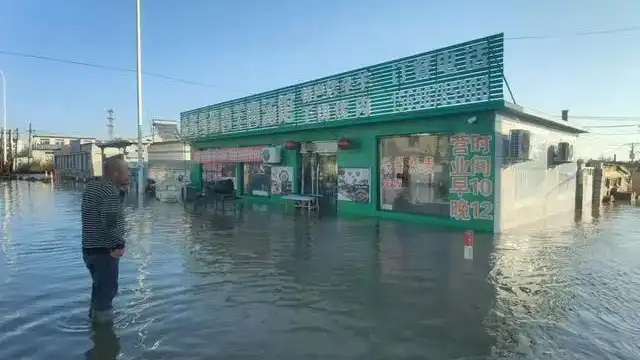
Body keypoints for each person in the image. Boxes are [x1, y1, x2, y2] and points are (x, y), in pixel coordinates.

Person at [81, 155, 129, 323]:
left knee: (98, 291)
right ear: (116, 174)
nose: (129, 174)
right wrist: (119, 244)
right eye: (127, 171)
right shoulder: (109, 192)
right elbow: (110, 224)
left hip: (89, 249)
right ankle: (105, 339)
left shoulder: (92, 187)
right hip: (105, 251)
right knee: (106, 294)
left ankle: (93, 330)